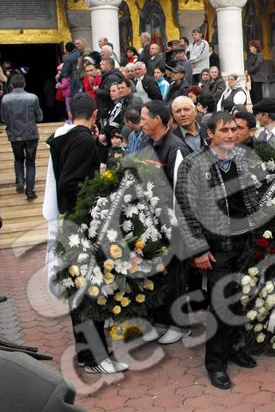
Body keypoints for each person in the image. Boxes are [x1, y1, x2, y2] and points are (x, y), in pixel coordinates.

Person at [175, 111, 260, 390]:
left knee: (238, 301)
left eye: (234, 129)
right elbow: (184, 209)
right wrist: (197, 249)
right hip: (215, 247)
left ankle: (234, 348)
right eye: (224, 130)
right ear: (209, 133)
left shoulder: (241, 158)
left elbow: (250, 196)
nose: (231, 134)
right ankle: (215, 365)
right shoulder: (193, 164)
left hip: (243, 243)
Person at [46, 93, 129, 374]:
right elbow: (70, 183)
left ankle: (87, 355)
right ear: (95, 115)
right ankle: (95, 357)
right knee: (91, 291)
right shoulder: (82, 140)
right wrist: (99, 192)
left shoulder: (65, 137)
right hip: (82, 225)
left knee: (81, 291)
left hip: (74, 222)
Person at [138, 100, 192, 345]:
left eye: (144, 118)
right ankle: (160, 321)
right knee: (156, 274)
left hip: (171, 225)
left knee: (174, 276)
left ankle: (180, 325)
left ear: (157, 119)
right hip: (150, 225)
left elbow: (182, 191)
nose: (141, 123)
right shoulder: (146, 143)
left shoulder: (176, 148)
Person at [1, 74, 43, 200]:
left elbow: (3, 119)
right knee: (30, 163)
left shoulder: (5, 99)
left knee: (18, 159)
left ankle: (20, 180)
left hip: (15, 135)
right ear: (24, 85)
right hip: (31, 134)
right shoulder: (32, 98)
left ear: (11, 86)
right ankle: (30, 191)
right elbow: (39, 117)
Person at [94, 55, 122, 119]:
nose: (101, 66)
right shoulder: (108, 76)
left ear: (108, 66)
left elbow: (107, 92)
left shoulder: (112, 77)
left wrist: (96, 90)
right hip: (106, 108)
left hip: (107, 108)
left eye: (103, 64)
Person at [245, 40, 264, 105]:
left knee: (258, 97)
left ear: (256, 47)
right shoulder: (251, 56)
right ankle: (255, 111)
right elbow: (249, 66)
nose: (250, 48)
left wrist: (248, 71)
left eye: (251, 46)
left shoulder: (259, 55)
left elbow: (257, 66)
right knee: (252, 96)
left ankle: (260, 112)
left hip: (257, 79)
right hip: (251, 79)